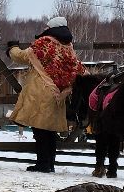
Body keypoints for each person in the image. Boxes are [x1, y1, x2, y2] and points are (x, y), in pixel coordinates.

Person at [9, 17, 81, 173]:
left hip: (41, 91)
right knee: (50, 132)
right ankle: (50, 164)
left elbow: (22, 56)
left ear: (51, 28)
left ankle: (42, 164)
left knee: (40, 130)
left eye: (47, 27)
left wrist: (12, 48)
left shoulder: (44, 42)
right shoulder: (68, 47)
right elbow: (75, 68)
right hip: (58, 94)